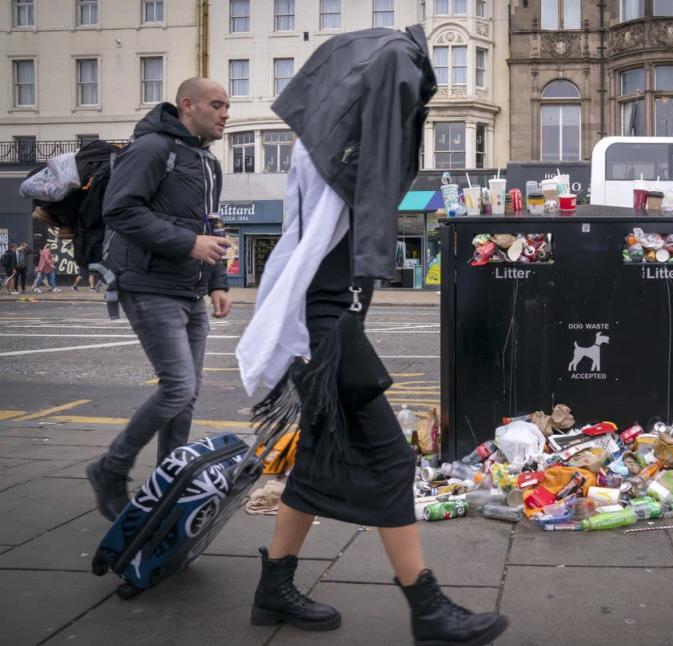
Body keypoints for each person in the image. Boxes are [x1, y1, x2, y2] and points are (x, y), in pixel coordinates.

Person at [236, 26, 508, 646]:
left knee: (319, 457)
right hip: (325, 327)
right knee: (387, 458)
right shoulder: (359, 138)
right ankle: (428, 608)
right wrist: (358, 302)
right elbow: (381, 179)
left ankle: (273, 587)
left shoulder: (320, 157)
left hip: (318, 321)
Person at [86, 78, 232, 521]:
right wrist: (189, 244)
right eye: (217, 105)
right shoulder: (152, 148)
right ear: (187, 106)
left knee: (187, 397)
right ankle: (111, 467)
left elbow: (211, 225)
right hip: (148, 285)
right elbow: (121, 209)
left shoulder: (207, 162)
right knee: (178, 388)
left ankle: (170, 483)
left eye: (227, 106)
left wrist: (217, 282)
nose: (226, 114)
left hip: (189, 289)